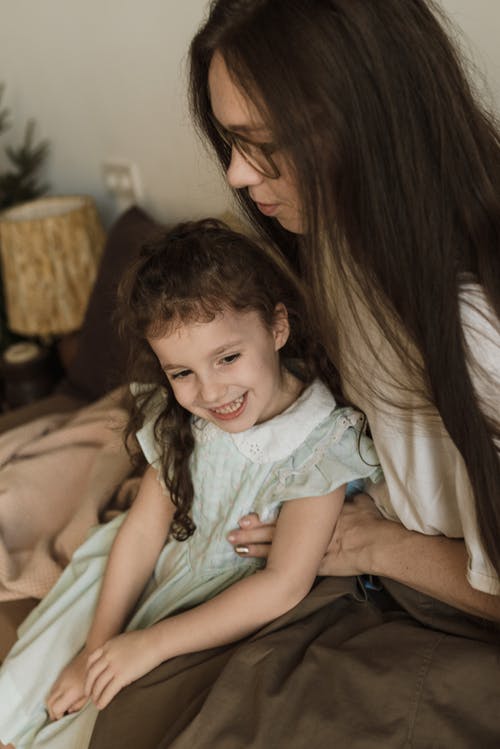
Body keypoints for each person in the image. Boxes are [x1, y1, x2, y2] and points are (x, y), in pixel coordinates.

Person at [87, 1, 500, 747]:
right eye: (230, 142)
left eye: (261, 143)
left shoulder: (473, 324)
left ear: (364, 118)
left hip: (427, 591)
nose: (240, 175)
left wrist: (376, 544)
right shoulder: (342, 254)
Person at [0, 219, 380, 748]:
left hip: (213, 612)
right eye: (181, 373)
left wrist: (149, 645)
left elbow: (282, 585)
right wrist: (97, 645)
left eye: (227, 357)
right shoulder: (186, 422)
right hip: (141, 574)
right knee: (21, 688)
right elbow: (140, 532)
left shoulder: (320, 445)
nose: (210, 392)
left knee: (90, 724)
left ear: (277, 328)